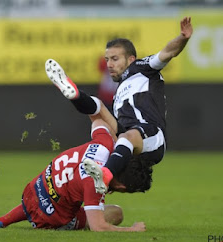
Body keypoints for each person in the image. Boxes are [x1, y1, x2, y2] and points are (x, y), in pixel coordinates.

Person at [45, 17, 193, 194]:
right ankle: (75, 95)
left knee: (128, 135)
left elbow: (168, 52)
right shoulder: (119, 92)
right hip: (126, 137)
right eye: (107, 59)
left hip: (152, 135)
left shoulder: (141, 68)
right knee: (99, 115)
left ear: (130, 59)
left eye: (115, 58)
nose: (109, 64)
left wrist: (183, 38)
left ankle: (105, 174)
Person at [0, 118, 150, 232]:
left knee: (54, 194)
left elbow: (98, 121)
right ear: (121, 186)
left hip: (33, 190)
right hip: (52, 218)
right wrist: (132, 229)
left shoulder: (104, 145)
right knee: (116, 213)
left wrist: (118, 144)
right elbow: (99, 226)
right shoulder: (96, 184)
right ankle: (60, 224)